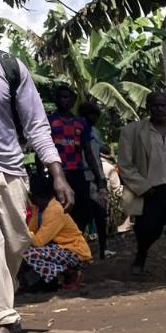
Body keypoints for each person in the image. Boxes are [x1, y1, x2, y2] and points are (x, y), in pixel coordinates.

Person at [0, 46, 73, 333]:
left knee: (14, 246)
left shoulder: (8, 66)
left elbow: (36, 124)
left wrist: (57, 174)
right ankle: (3, 318)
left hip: (11, 172)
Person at [118, 90, 166, 281]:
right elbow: (125, 165)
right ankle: (141, 256)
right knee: (148, 230)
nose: (159, 109)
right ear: (148, 108)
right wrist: (143, 187)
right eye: (155, 105)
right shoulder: (132, 132)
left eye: (163, 105)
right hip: (149, 191)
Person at [21, 173, 91, 290]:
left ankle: (68, 274)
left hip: (74, 251)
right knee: (26, 251)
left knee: (30, 254)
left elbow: (38, 241)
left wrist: (22, 232)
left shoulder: (54, 210)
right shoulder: (38, 209)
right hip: (59, 249)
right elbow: (31, 231)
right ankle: (53, 278)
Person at [48, 83, 94, 234]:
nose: (63, 100)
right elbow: (42, 149)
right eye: (60, 97)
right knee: (60, 213)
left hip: (77, 173)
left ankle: (79, 245)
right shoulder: (49, 121)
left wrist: (99, 179)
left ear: (73, 101)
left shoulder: (81, 123)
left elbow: (88, 151)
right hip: (58, 174)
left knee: (82, 213)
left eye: (66, 97)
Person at [78, 101, 114, 259]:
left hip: (96, 176)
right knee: (82, 217)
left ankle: (102, 249)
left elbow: (99, 152)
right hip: (82, 177)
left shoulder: (95, 132)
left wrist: (101, 179)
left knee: (100, 216)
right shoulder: (76, 130)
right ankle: (78, 252)